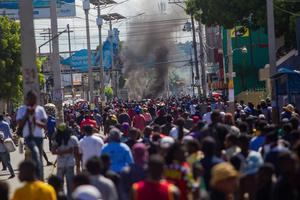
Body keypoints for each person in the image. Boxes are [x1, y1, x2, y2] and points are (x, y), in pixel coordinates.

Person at [16, 90, 48, 180]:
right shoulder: (22, 109)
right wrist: (26, 114)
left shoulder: (40, 109)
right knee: (35, 155)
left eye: (34, 99)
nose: (32, 101)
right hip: (28, 137)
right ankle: (34, 177)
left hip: (39, 137)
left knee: (39, 159)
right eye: (31, 99)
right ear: (27, 99)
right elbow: (19, 124)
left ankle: (40, 178)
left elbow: (45, 125)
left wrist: (35, 120)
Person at [51, 123, 80, 197]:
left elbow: (53, 152)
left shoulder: (56, 139)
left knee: (60, 184)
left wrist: (61, 152)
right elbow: (76, 153)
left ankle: (61, 197)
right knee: (70, 184)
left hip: (60, 164)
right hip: (70, 164)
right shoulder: (73, 139)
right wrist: (78, 165)